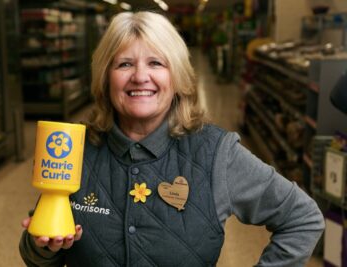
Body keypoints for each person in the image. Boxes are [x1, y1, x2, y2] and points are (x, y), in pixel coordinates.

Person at [19, 11, 325, 266]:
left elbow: (303, 217)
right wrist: (43, 247)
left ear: (176, 77)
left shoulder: (215, 154)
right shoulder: (74, 149)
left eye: (156, 63)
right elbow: (35, 253)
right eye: (124, 64)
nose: (140, 76)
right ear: (105, 77)